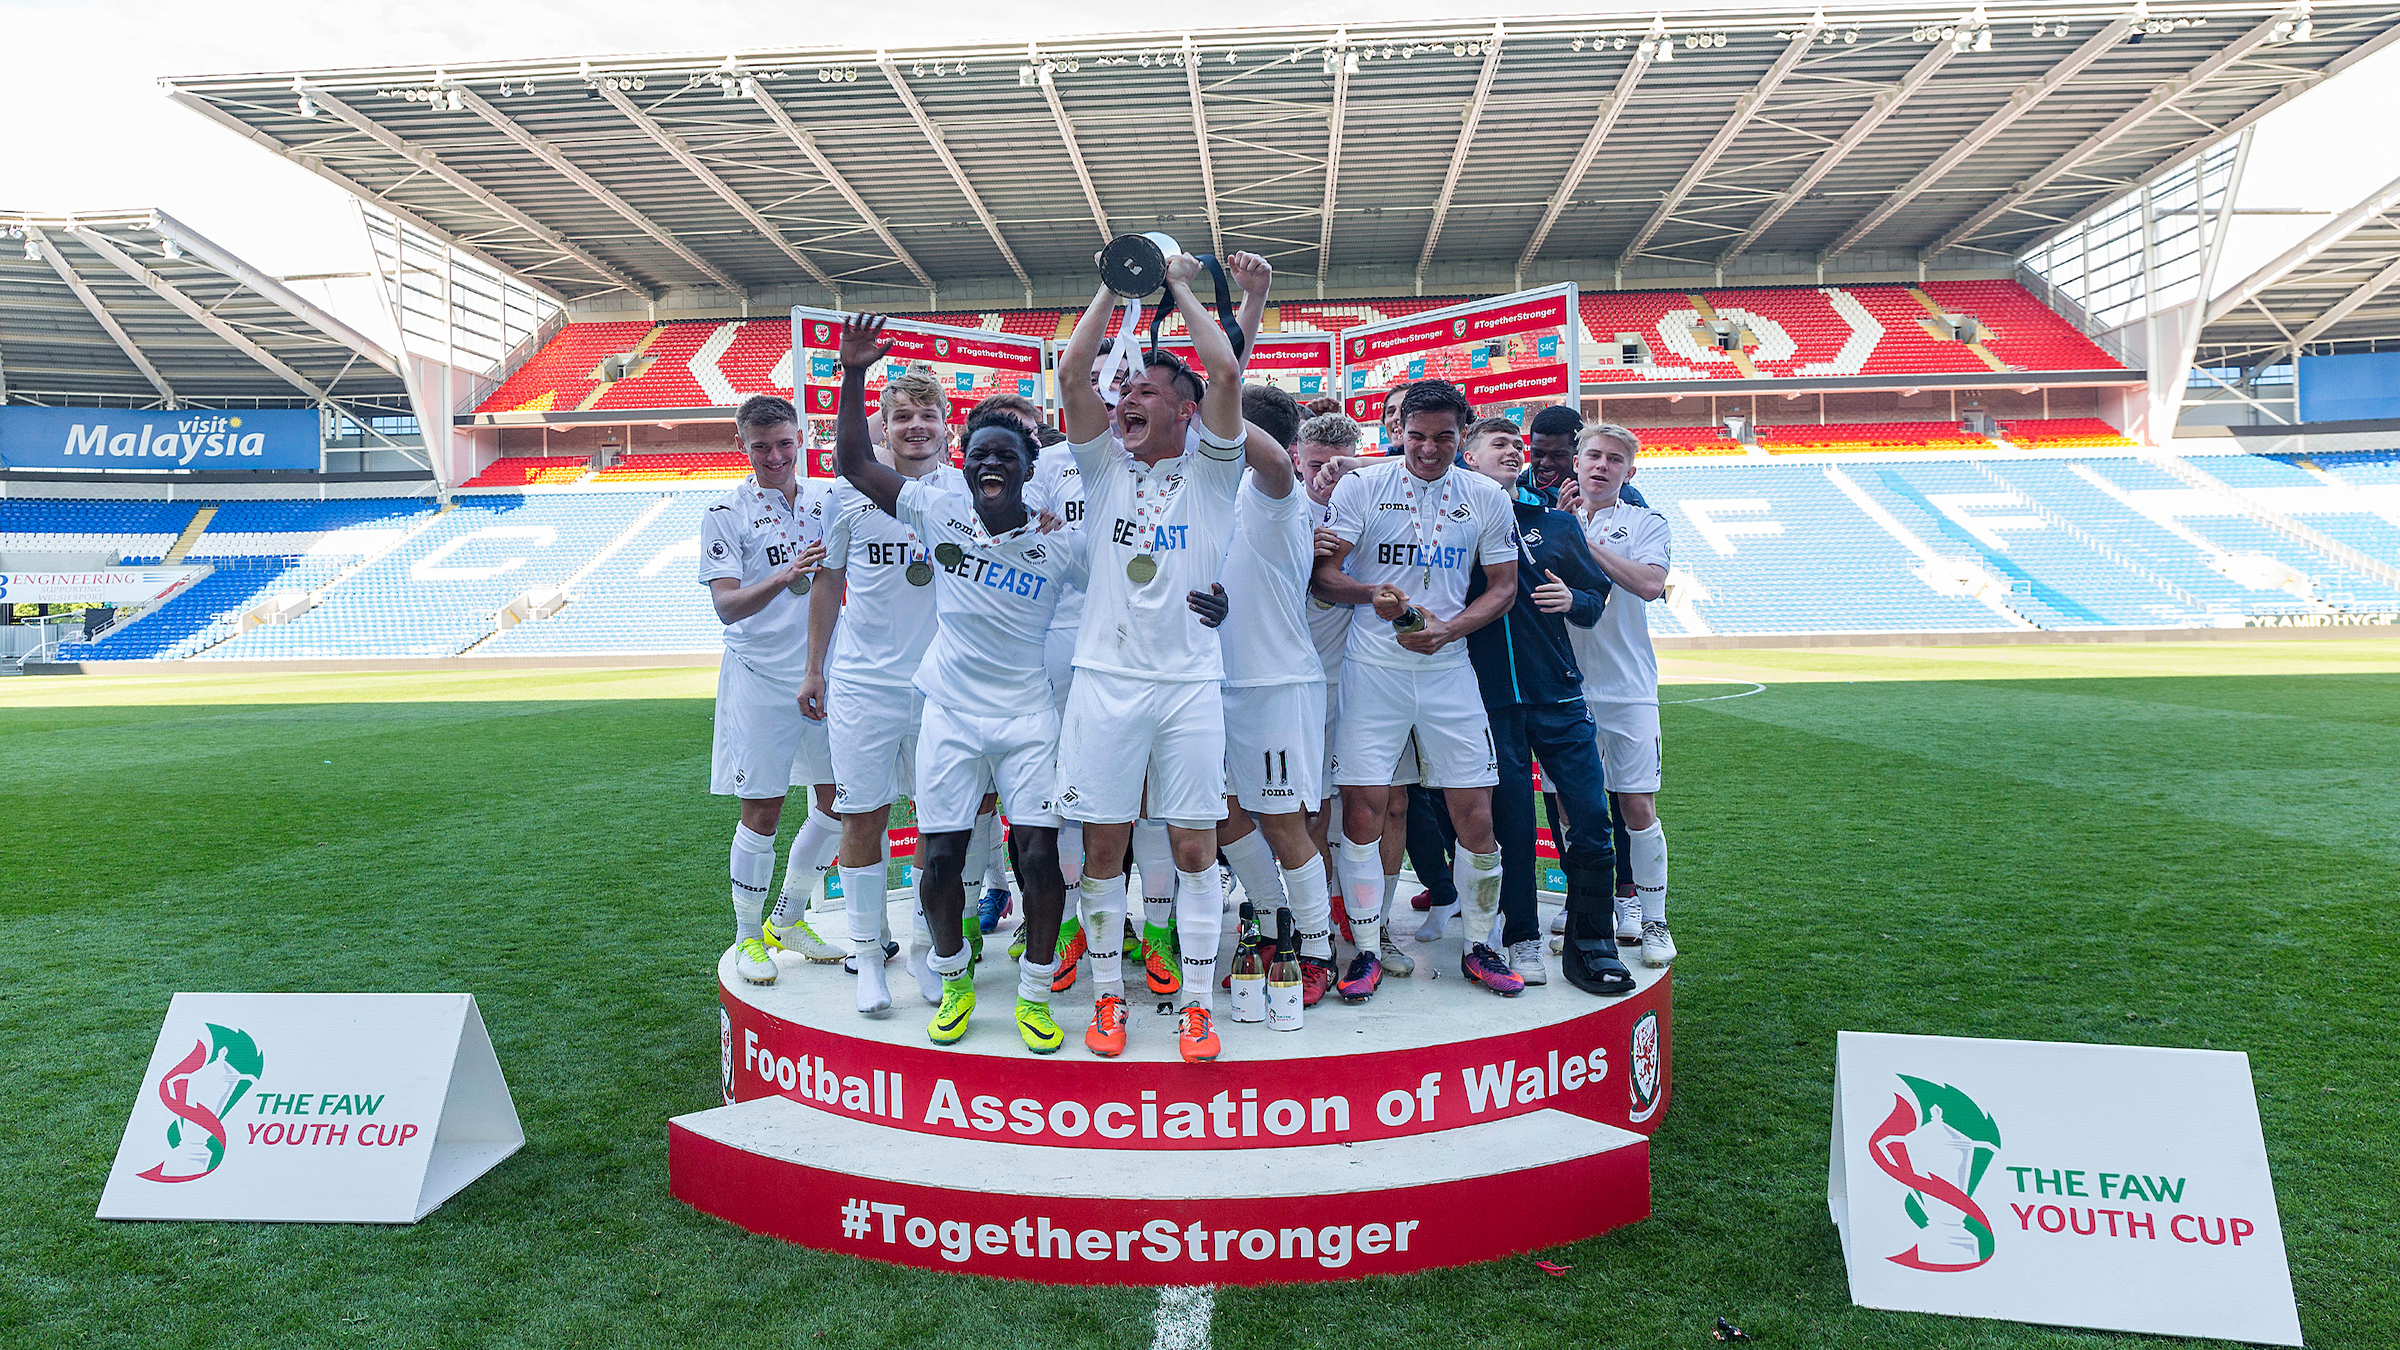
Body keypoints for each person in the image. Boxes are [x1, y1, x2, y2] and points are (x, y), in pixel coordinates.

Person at [1055, 250, 1292, 1063]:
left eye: (1147, 391)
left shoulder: (1213, 477)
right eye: (1126, 392)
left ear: (1187, 413)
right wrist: (1114, 283)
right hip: (1105, 684)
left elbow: (1224, 372)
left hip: (1190, 684)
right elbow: (1073, 368)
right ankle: (1110, 1002)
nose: (1126, 398)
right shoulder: (1102, 469)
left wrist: (1182, 288)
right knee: (1102, 851)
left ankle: (1196, 1005)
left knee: (1194, 848)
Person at [830, 314, 1087, 1051]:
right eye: (979, 455)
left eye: (1005, 454)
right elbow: (854, 463)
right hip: (948, 712)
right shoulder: (935, 508)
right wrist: (853, 373)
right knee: (939, 856)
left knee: (1037, 856)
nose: (990, 465)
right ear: (962, 461)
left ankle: (1034, 995)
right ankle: (953, 977)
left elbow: (1139, 591)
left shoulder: (1059, 547)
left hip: (1026, 716)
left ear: (1029, 470)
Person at [1310, 379, 1518, 1001]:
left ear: (1463, 435)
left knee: (1475, 813)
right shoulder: (1362, 486)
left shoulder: (1483, 494)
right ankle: (1367, 947)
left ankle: (1483, 943)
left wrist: (1450, 629)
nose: (1429, 449)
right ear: (1396, 429)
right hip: (1372, 670)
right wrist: (1370, 595)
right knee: (1365, 812)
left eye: (1444, 437)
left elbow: (1503, 587)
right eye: (1417, 435)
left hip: (1448, 668)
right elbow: (1324, 576)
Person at [801, 368, 962, 1009]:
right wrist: (814, 667)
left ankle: (926, 953)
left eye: (928, 415)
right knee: (863, 815)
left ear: (946, 424)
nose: (916, 427)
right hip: (865, 685)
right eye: (902, 418)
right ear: (885, 429)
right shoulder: (845, 496)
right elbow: (826, 583)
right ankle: (869, 957)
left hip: (943, 687)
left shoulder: (966, 492)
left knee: (937, 822)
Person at [1458, 416, 1635, 995]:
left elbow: (1594, 599)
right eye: (1499, 444)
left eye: (1518, 444)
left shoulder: (1556, 524)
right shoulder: (1450, 527)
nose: (1513, 451)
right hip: (1491, 702)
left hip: (1559, 693)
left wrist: (1573, 599)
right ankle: (1522, 936)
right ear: (1470, 457)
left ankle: (1593, 945)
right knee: (1509, 822)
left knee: (1588, 820)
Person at [698, 394, 834, 986]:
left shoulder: (830, 499)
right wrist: (783, 576)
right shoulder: (725, 512)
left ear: (801, 439)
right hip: (759, 676)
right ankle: (748, 937)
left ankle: (790, 916)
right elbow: (726, 606)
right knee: (764, 809)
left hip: (824, 673)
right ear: (743, 446)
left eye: (785, 443)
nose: (775, 456)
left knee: (841, 803)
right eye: (762, 447)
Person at [1214, 383, 1337, 1005]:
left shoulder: (1272, 492)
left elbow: (1273, 460)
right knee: (1220, 813)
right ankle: (1270, 917)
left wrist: (1217, 402)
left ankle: (1317, 948)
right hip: (1213, 684)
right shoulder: (1206, 490)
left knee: (1285, 820)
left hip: (1275, 683)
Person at [1568, 424, 1678, 969]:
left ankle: (1653, 918)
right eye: (1592, 456)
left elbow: (1650, 584)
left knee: (1635, 804)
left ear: (1628, 472)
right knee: (1573, 806)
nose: (1601, 466)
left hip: (1628, 688)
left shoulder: (1646, 522)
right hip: (1567, 688)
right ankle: (1586, 905)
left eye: (1614, 460)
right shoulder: (1548, 520)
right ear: (1576, 461)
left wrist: (1581, 544)